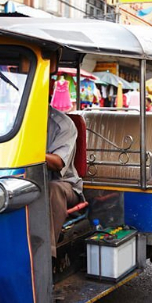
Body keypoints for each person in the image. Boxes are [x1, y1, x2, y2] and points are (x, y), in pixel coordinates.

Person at [47, 106, 83, 257]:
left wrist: (31, 152)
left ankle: (47, 254)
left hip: (64, 184)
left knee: (53, 189)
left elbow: (58, 163)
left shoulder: (63, 124)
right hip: (28, 179)